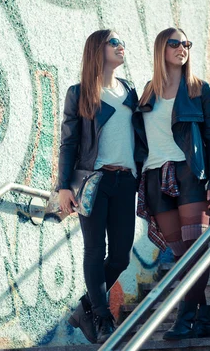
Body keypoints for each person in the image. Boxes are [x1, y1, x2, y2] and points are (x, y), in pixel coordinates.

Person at [137, 27, 210, 340]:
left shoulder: (198, 89)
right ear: (161, 48)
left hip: (189, 174)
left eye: (186, 43)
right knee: (180, 255)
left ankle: (184, 319)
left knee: (194, 252)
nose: (182, 48)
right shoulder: (147, 91)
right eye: (174, 43)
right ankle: (205, 321)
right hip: (154, 178)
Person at [58, 29, 144, 344]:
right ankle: (102, 317)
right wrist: (63, 186)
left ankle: (85, 307)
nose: (122, 46)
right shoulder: (79, 93)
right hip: (94, 181)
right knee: (95, 250)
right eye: (114, 42)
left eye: (123, 41)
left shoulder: (131, 92)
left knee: (120, 255)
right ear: (98, 49)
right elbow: (68, 143)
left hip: (126, 181)